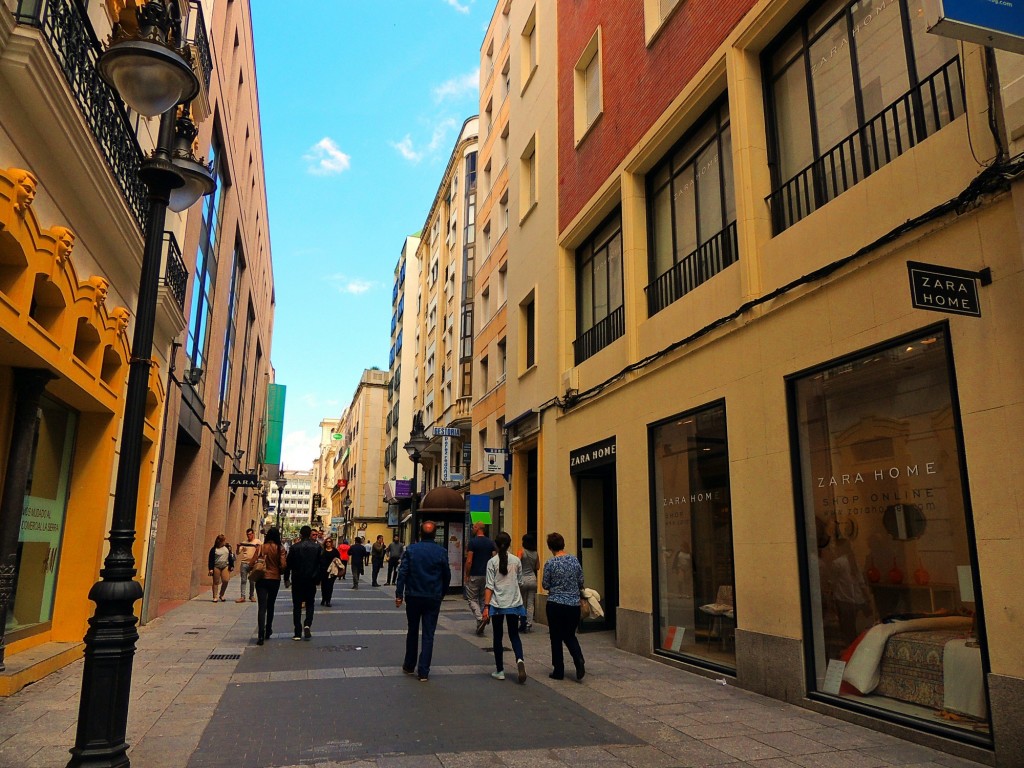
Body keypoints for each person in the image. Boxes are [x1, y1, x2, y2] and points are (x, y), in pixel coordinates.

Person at [395, 520, 451, 681]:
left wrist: (399, 594)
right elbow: (446, 575)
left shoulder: (411, 550)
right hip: (433, 596)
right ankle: (424, 671)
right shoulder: (441, 552)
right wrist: (442, 593)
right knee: (428, 634)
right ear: (434, 534)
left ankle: (409, 664)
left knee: (412, 630)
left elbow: (403, 573)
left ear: (420, 533)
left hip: (413, 595)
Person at [482, 532, 527, 683]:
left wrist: (486, 606)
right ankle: (519, 659)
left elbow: (489, 586)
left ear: (495, 544)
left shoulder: (492, 562)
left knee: (498, 636)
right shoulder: (516, 561)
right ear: (509, 544)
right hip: (514, 602)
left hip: (497, 604)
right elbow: (520, 582)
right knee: (514, 635)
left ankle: (500, 670)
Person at [541, 532, 586, 681]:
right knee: (569, 634)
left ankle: (558, 670)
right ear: (563, 544)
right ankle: (578, 658)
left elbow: (545, 584)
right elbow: (581, 580)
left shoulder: (550, 563)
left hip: (555, 604)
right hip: (573, 604)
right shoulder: (574, 560)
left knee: (555, 637)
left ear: (550, 547)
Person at [284, 525, 323, 640]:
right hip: (311, 579)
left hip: (297, 579)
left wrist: (286, 578)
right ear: (310, 534)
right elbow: (321, 565)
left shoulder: (294, 547)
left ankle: (297, 632)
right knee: (310, 603)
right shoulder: (317, 547)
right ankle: (307, 624)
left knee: (297, 605)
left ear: (300, 534)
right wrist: (318, 578)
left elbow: (288, 564)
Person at [254, 527, 287, 646]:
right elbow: (283, 565)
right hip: (274, 579)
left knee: (262, 607)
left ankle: (260, 635)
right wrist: (279, 571)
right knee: (271, 605)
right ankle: (268, 629)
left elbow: (252, 562)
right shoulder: (280, 548)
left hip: (261, 578)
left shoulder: (261, 547)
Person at [464, 523, 496, 635]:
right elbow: (494, 557)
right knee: (483, 599)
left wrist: (467, 574)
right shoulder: (490, 542)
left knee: (472, 599)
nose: (472, 529)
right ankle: (482, 620)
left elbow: (469, 560)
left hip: (474, 574)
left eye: (474, 527)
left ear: (478, 529)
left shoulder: (473, 542)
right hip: (487, 575)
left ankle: (480, 618)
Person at [518, 533, 539, 633]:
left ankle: (522, 621)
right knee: (531, 603)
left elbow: (517, 563)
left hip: (523, 579)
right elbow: (537, 567)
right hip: (533, 579)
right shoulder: (536, 553)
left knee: (522, 602)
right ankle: (529, 623)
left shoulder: (521, 551)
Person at [235, 528, 262, 603]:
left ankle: (251, 596)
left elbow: (261, 551)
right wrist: (238, 547)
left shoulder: (258, 542)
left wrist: (258, 549)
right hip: (244, 563)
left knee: (252, 581)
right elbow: (238, 553)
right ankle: (242, 596)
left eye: (250, 534)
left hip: (253, 564)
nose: (248, 536)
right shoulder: (244, 543)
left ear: (253, 534)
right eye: (247, 534)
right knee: (243, 580)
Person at [207, 534, 234, 602]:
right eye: (224, 541)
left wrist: (232, 565)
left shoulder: (227, 547)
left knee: (226, 580)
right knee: (216, 582)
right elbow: (211, 559)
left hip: (225, 566)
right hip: (216, 566)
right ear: (220, 541)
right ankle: (215, 596)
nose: (225, 542)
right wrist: (210, 569)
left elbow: (230, 557)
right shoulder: (214, 549)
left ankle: (221, 594)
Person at [320, 536, 342, 606]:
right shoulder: (322, 550)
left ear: (331, 543)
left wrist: (336, 560)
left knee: (330, 586)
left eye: (329, 542)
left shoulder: (335, 551)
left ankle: (328, 601)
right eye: (327, 542)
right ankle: (324, 598)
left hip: (332, 571)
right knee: (324, 586)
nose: (328, 543)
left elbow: (339, 559)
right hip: (323, 571)